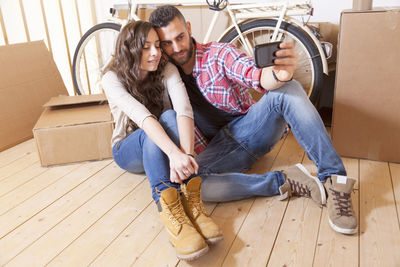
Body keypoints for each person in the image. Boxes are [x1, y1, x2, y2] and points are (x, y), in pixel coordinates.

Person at [149, 6, 357, 235]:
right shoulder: (162, 76)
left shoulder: (219, 54)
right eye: (167, 43)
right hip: (218, 151)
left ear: (188, 28)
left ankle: (335, 181)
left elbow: (253, 74)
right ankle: (285, 180)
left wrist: (277, 75)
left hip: (251, 130)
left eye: (180, 37)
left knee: (287, 89)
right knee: (195, 185)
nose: (177, 48)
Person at [101, 20, 223, 261]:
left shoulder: (166, 69)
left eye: (157, 45)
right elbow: (143, 119)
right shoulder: (111, 77)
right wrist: (175, 155)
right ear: (130, 49)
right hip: (127, 149)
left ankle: (192, 203)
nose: (156, 53)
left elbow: (184, 110)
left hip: (164, 146)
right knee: (152, 128)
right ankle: (170, 210)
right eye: (146, 47)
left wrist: (187, 155)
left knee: (169, 115)